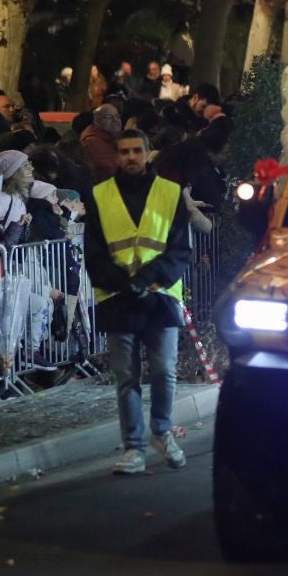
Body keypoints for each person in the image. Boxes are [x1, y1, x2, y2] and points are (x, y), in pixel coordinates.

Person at [83, 129, 193, 475]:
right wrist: (125, 284)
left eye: (136, 151)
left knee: (164, 371)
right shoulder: (100, 196)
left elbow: (179, 248)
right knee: (126, 378)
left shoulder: (170, 193)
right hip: (119, 298)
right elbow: (94, 252)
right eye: (124, 151)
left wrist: (144, 280)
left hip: (158, 296)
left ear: (148, 154)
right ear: (117, 156)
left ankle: (161, 431)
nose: (130, 157)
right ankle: (134, 447)